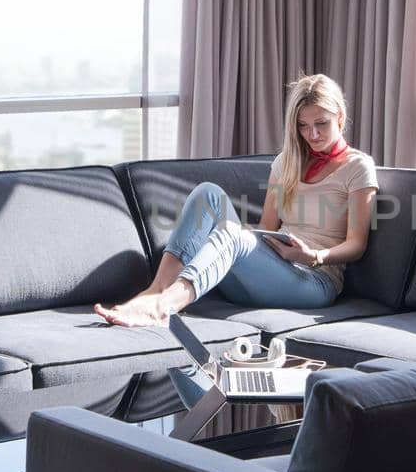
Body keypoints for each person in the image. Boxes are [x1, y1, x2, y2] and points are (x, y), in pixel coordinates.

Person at [96, 74, 379, 327]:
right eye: (303, 126)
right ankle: (156, 290)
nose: (312, 135)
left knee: (233, 235)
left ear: (340, 117)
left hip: (315, 281)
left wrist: (313, 256)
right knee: (208, 194)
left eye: (321, 124)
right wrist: (239, 240)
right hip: (267, 273)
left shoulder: (357, 167)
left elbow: (357, 244)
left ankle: (162, 308)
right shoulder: (286, 163)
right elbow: (267, 228)